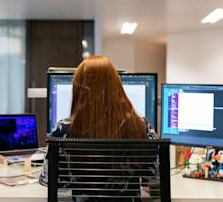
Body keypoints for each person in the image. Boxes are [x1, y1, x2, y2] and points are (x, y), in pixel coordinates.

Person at [39, 55, 156, 186]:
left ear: (79, 89)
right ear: (117, 86)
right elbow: (155, 181)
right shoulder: (142, 126)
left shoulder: (64, 130)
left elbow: (47, 181)